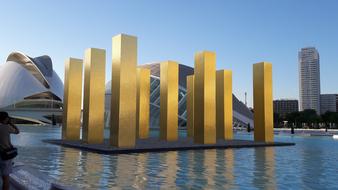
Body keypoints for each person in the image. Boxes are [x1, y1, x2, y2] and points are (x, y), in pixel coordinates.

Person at [0, 112, 19, 190]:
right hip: (5, 155)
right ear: (6, 119)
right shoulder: (6, 127)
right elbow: (17, 131)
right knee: (6, 177)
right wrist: (11, 123)